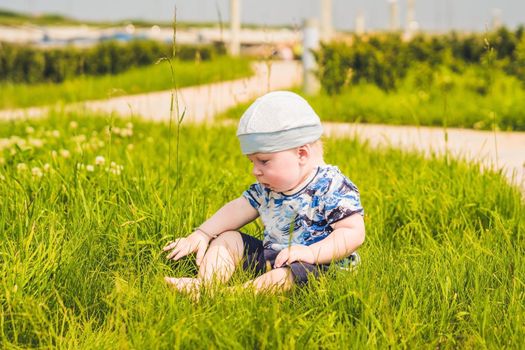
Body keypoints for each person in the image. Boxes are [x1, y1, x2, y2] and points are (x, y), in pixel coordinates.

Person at [163, 91, 365, 293]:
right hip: (275, 256)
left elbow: (352, 232)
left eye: (264, 161)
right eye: (252, 162)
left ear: (301, 154)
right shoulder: (267, 188)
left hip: (321, 265)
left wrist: (311, 253)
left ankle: (234, 295)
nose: (255, 171)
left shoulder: (331, 186)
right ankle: (206, 286)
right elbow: (238, 208)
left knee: (287, 275)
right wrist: (203, 233)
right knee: (227, 239)